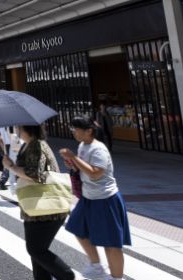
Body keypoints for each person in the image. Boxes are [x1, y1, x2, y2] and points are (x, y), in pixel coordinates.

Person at [0, 125, 75, 280]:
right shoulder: (28, 144)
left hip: (46, 209)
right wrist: (4, 151)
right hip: (36, 207)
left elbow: (36, 175)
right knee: (37, 255)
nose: (16, 130)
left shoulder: (37, 145)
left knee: (36, 250)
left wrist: (12, 167)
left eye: (19, 127)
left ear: (28, 129)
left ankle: (66, 275)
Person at [61, 116, 130, 280]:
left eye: (75, 129)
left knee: (111, 243)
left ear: (89, 131)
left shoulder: (98, 149)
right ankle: (97, 265)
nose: (73, 132)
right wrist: (72, 164)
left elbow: (96, 173)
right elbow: (84, 169)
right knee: (77, 227)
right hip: (88, 197)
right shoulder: (83, 145)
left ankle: (116, 277)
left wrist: (75, 158)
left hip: (106, 199)